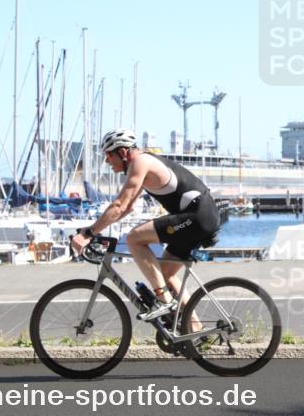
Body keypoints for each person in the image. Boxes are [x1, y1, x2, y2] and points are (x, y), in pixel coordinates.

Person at [71, 128, 221, 313]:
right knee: (165, 274)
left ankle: (164, 301)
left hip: (198, 216)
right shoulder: (141, 163)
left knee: (134, 239)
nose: (106, 160)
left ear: (123, 152)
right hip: (198, 216)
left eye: (109, 155)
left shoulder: (140, 162)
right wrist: (95, 229)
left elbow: (119, 205)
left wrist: (89, 233)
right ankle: (194, 330)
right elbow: (127, 207)